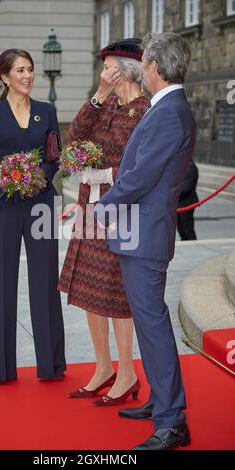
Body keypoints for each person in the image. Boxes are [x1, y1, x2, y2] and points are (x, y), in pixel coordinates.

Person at [95, 32, 195, 449]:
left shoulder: (169, 112)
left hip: (146, 233)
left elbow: (140, 176)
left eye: (144, 64)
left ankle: (172, 423)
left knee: (152, 324)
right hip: (143, 230)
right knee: (151, 321)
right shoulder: (168, 108)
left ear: (154, 68)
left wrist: (102, 207)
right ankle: (161, 399)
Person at [58, 39, 149, 406]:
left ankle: (126, 373)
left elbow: (141, 165)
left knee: (114, 294)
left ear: (127, 70)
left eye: (109, 66)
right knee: (88, 293)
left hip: (120, 211)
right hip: (89, 208)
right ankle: (103, 368)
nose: (105, 72)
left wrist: (105, 174)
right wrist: (98, 93)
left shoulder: (144, 109)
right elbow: (76, 135)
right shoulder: (107, 101)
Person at [0, 48, 66, 383]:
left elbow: (55, 157)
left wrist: (36, 175)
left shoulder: (46, 111)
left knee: (45, 284)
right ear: (5, 76)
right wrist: (5, 178)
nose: (27, 76)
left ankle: (51, 366)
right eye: (19, 70)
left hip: (40, 204)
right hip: (3, 205)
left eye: (30, 69)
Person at [177, 160, 199, 240]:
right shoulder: (183, 166)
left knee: (188, 230)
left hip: (186, 202)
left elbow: (186, 187)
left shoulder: (190, 167)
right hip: (179, 203)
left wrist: (173, 193)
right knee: (181, 229)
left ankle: (193, 247)